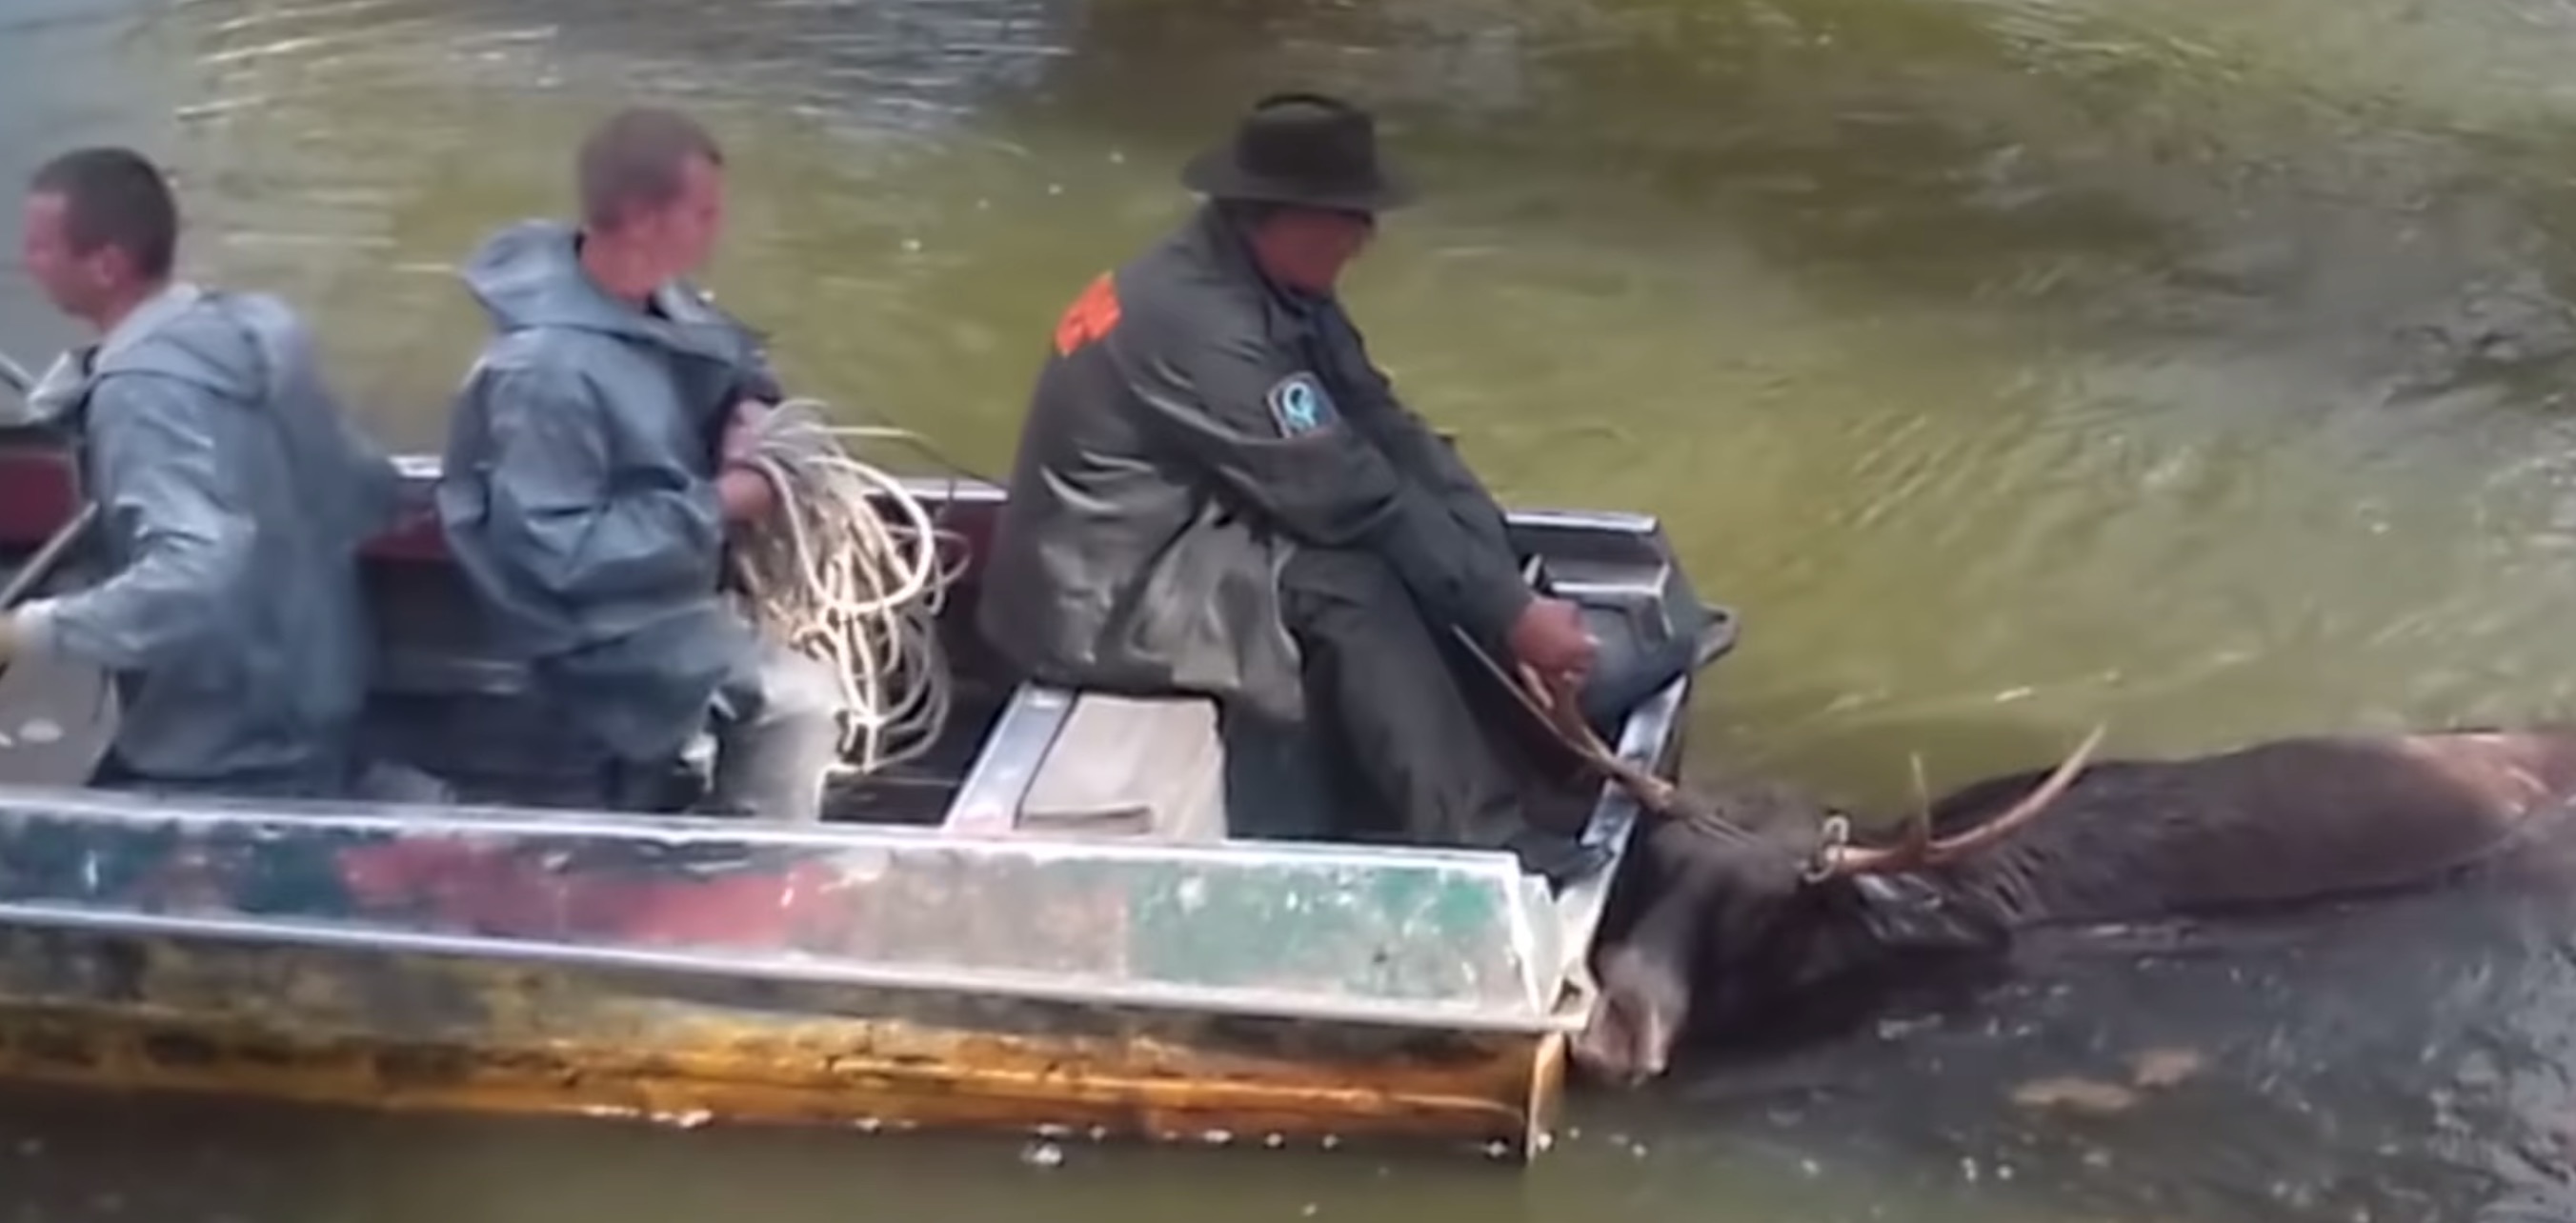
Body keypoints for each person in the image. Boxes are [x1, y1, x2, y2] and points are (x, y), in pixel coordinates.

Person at [978, 92, 1608, 882]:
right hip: (1103, 595)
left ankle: (1509, 758)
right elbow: (1350, 497)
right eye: (1350, 217)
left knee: (1430, 536)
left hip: (1184, 530)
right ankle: (1481, 838)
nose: (1366, 239)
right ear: (1282, 216)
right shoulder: (1206, 326)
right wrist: (1510, 617)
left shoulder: (1272, 281)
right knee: (1349, 578)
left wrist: (1499, 569)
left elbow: (1383, 425)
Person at [435, 106, 848, 823]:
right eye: (705, 211)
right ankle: (747, 879)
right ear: (641, 217)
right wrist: (724, 503)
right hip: (591, 629)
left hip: (662, 571)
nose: (718, 227)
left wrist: (751, 407)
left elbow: (727, 353)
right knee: (798, 703)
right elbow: (556, 552)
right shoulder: (546, 375)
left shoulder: (650, 288)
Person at [0, 146, 403, 799]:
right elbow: (369, 488)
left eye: (42, 247)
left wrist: (29, 631)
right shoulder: (257, 330)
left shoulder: (139, 394)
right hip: (326, 689)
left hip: (229, 744)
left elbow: (197, 572)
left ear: (106, 266)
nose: (27, 263)